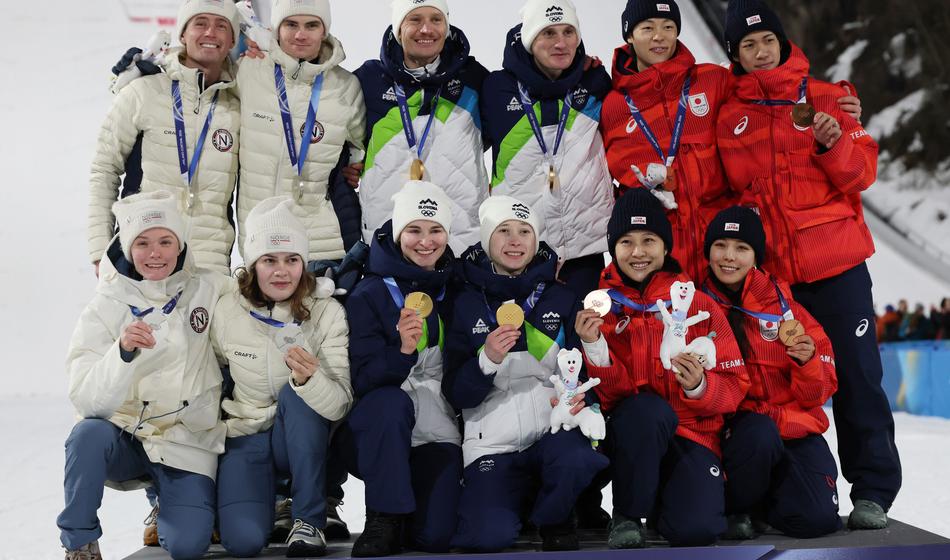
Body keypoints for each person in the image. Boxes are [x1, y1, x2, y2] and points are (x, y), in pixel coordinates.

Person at [717, 0, 901, 530]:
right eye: (747, 45)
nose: (759, 52)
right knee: (780, 384)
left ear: (782, 42)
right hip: (776, 281)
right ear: (735, 54)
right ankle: (794, 490)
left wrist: (837, 139)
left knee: (859, 378)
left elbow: (861, 175)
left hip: (836, 268)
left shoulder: (827, 98)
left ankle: (872, 490)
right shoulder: (731, 116)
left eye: (766, 41)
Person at [600, 0, 863, 283]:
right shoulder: (612, 105)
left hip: (721, 248)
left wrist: (834, 100)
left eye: (668, 26)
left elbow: (771, 91)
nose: (658, 36)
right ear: (628, 34)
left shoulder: (713, 80)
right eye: (647, 28)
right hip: (661, 251)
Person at [575, 188, 749, 548]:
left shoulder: (698, 304)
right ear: (613, 248)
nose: (638, 252)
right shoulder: (603, 310)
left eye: (649, 240)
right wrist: (595, 348)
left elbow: (735, 386)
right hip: (631, 436)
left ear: (666, 247)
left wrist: (700, 386)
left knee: (697, 530)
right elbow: (612, 398)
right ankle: (626, 515)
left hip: (692, 434)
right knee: (647, 411)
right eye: (626, 242)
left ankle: (661, 502)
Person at [59, 191, 227, 560]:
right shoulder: (105, 304)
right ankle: (79, 542)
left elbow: (259, 299)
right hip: (127, 439)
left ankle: (167, 503)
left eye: (166, 241)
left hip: (185, 443)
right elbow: (86, 398)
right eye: (143, 243)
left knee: (188, 546)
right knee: (86, 435)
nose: (155, 253)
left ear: (180, 245)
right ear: (127, 246)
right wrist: (121, 354)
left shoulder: (209, 288)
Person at [443, 196, 609, 552]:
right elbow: (457, 394)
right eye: (503, 231)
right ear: (487, 238)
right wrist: (487, 359)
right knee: (485, 537)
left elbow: (583, 377)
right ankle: (521, 502)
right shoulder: (463, 301)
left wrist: (588, 404)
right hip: (492, 446)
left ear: (536, 243)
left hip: (550, 435)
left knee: (578, 456)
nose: (515, 240)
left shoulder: (562, 299)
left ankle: (553, 515)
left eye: (524, 232)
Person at [211, 197, 352, 558]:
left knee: (296, 395)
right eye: (268, 260)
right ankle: (267, 503)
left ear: (304, 265)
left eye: (291, 260)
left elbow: (340, 404)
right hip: (249, 436)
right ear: (252, 265)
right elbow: (206, 380)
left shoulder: (327, 312)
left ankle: (308, 520)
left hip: (303, 440)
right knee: (243, 541)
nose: (280, 271)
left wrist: (310, 380)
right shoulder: (227, 310)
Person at [339, 181, 463, 557]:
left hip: (436, 426)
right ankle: (384, 515)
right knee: (389, 403)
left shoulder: (455, 287)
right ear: (397, 232)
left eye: (435, 230)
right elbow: (361, 379)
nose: (425, 241)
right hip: (379, 429)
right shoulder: (369, 292)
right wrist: (404, 351)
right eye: (414, 230)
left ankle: (409, 503)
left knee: (435, 539)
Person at [702, 206, 841, 539]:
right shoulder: (695, 308)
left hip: (792, 428)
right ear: (708, 251)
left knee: (818, 520)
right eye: (720, 245)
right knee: (760, 435)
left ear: (756, 256)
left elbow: (817, 394)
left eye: (741, 248)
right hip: (739, 435)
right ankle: (738, 505)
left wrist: (808, 363)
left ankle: (764, 505)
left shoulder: (788, 310)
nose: (728, 257)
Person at [89, 0, 241, 275]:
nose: (210, 32)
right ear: (182, 34)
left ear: (232, 40)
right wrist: (100, 249)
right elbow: (104, 169)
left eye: (221, 26)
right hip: (143, 253)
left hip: (209, 262)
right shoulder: (143, 91)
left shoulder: (240, 104)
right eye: (200, 23)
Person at [480, 0, 613, 300]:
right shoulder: (496, 88)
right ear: (530, 40)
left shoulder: (595, 82)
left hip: (584, 246)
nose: (561, 43)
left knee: (581, 336)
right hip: (521, 246)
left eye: (569, 32)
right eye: (549, 33)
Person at [346, 0, 489, 254]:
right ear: (398, 28)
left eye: (436, 19)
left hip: (462, 238)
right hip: (388, 235)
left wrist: (583, 69)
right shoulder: (368, 80)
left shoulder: (474, 78)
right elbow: (338, 133)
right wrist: (346, 165)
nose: (426, 29)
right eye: (415, 19)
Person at [235, 0, 366, 265]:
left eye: (312, 25)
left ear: (324, 31)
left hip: (321, 243)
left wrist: (355, 167)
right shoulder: (247, 71)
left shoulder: (345, 86)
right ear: (277, 29)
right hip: (260, 240)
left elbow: (362, 145)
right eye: (291, 24)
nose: (300, 34)